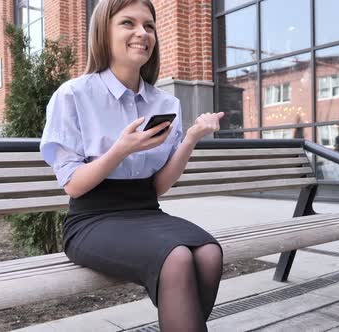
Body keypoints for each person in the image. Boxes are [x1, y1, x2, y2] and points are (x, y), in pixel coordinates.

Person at [39, 0, 225, 330]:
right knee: (178, 257)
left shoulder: (165, 102)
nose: (142, 33)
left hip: (145, 211)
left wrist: (191, 138)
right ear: (103, 33)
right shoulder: (74, 95)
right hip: (92, 219)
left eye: (149, 26)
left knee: (209, 253)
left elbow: (158, 187)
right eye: (128, 23)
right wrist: (120, 150)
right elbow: (73, 185)